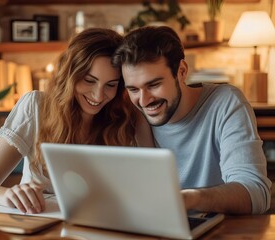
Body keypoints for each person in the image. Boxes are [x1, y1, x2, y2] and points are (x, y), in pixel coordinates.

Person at [0, 28, 153, 214]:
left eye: (111, 85)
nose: (98, 95)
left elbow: (151, 185)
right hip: (38, 224)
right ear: (70, 75)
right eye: (89, 80)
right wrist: (6, 195)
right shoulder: (37, 106)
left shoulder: (128, 117)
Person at [112, 26, 271, 215]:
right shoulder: (130, 115)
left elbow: (256, 193)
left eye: (154, 85)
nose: (144, 101)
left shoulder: (225, 103)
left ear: (181, 71)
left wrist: (191, 198)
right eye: (133, 89)